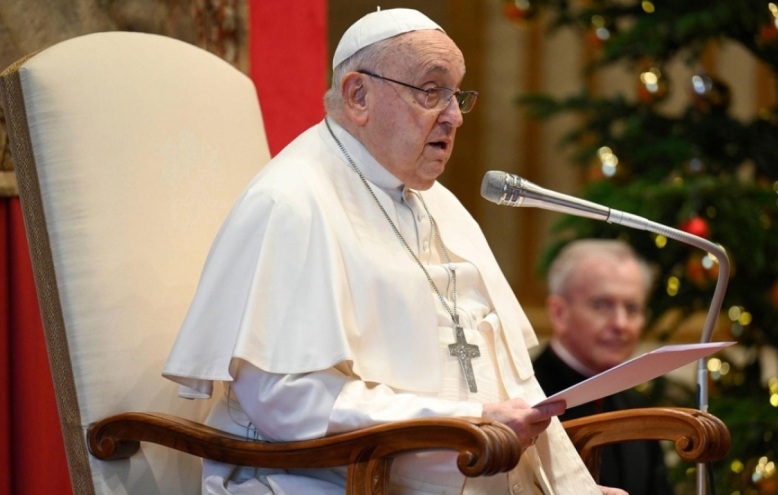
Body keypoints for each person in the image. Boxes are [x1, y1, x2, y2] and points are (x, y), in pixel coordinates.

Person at [163, 8, 627, 495]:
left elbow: (510, 378)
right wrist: (468, 421)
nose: (454, 116)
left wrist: (574, 489)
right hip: (319, 480)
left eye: (457, 95)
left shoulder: (439, 205)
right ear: (358, 96)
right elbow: (286, 401)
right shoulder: (291, 202)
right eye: (431, 91)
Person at [532, 239, 673, 495]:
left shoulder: (639, 408)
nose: (621, 324)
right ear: (559, 313)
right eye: (601, 305)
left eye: (632, 308)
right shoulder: (525, 398)